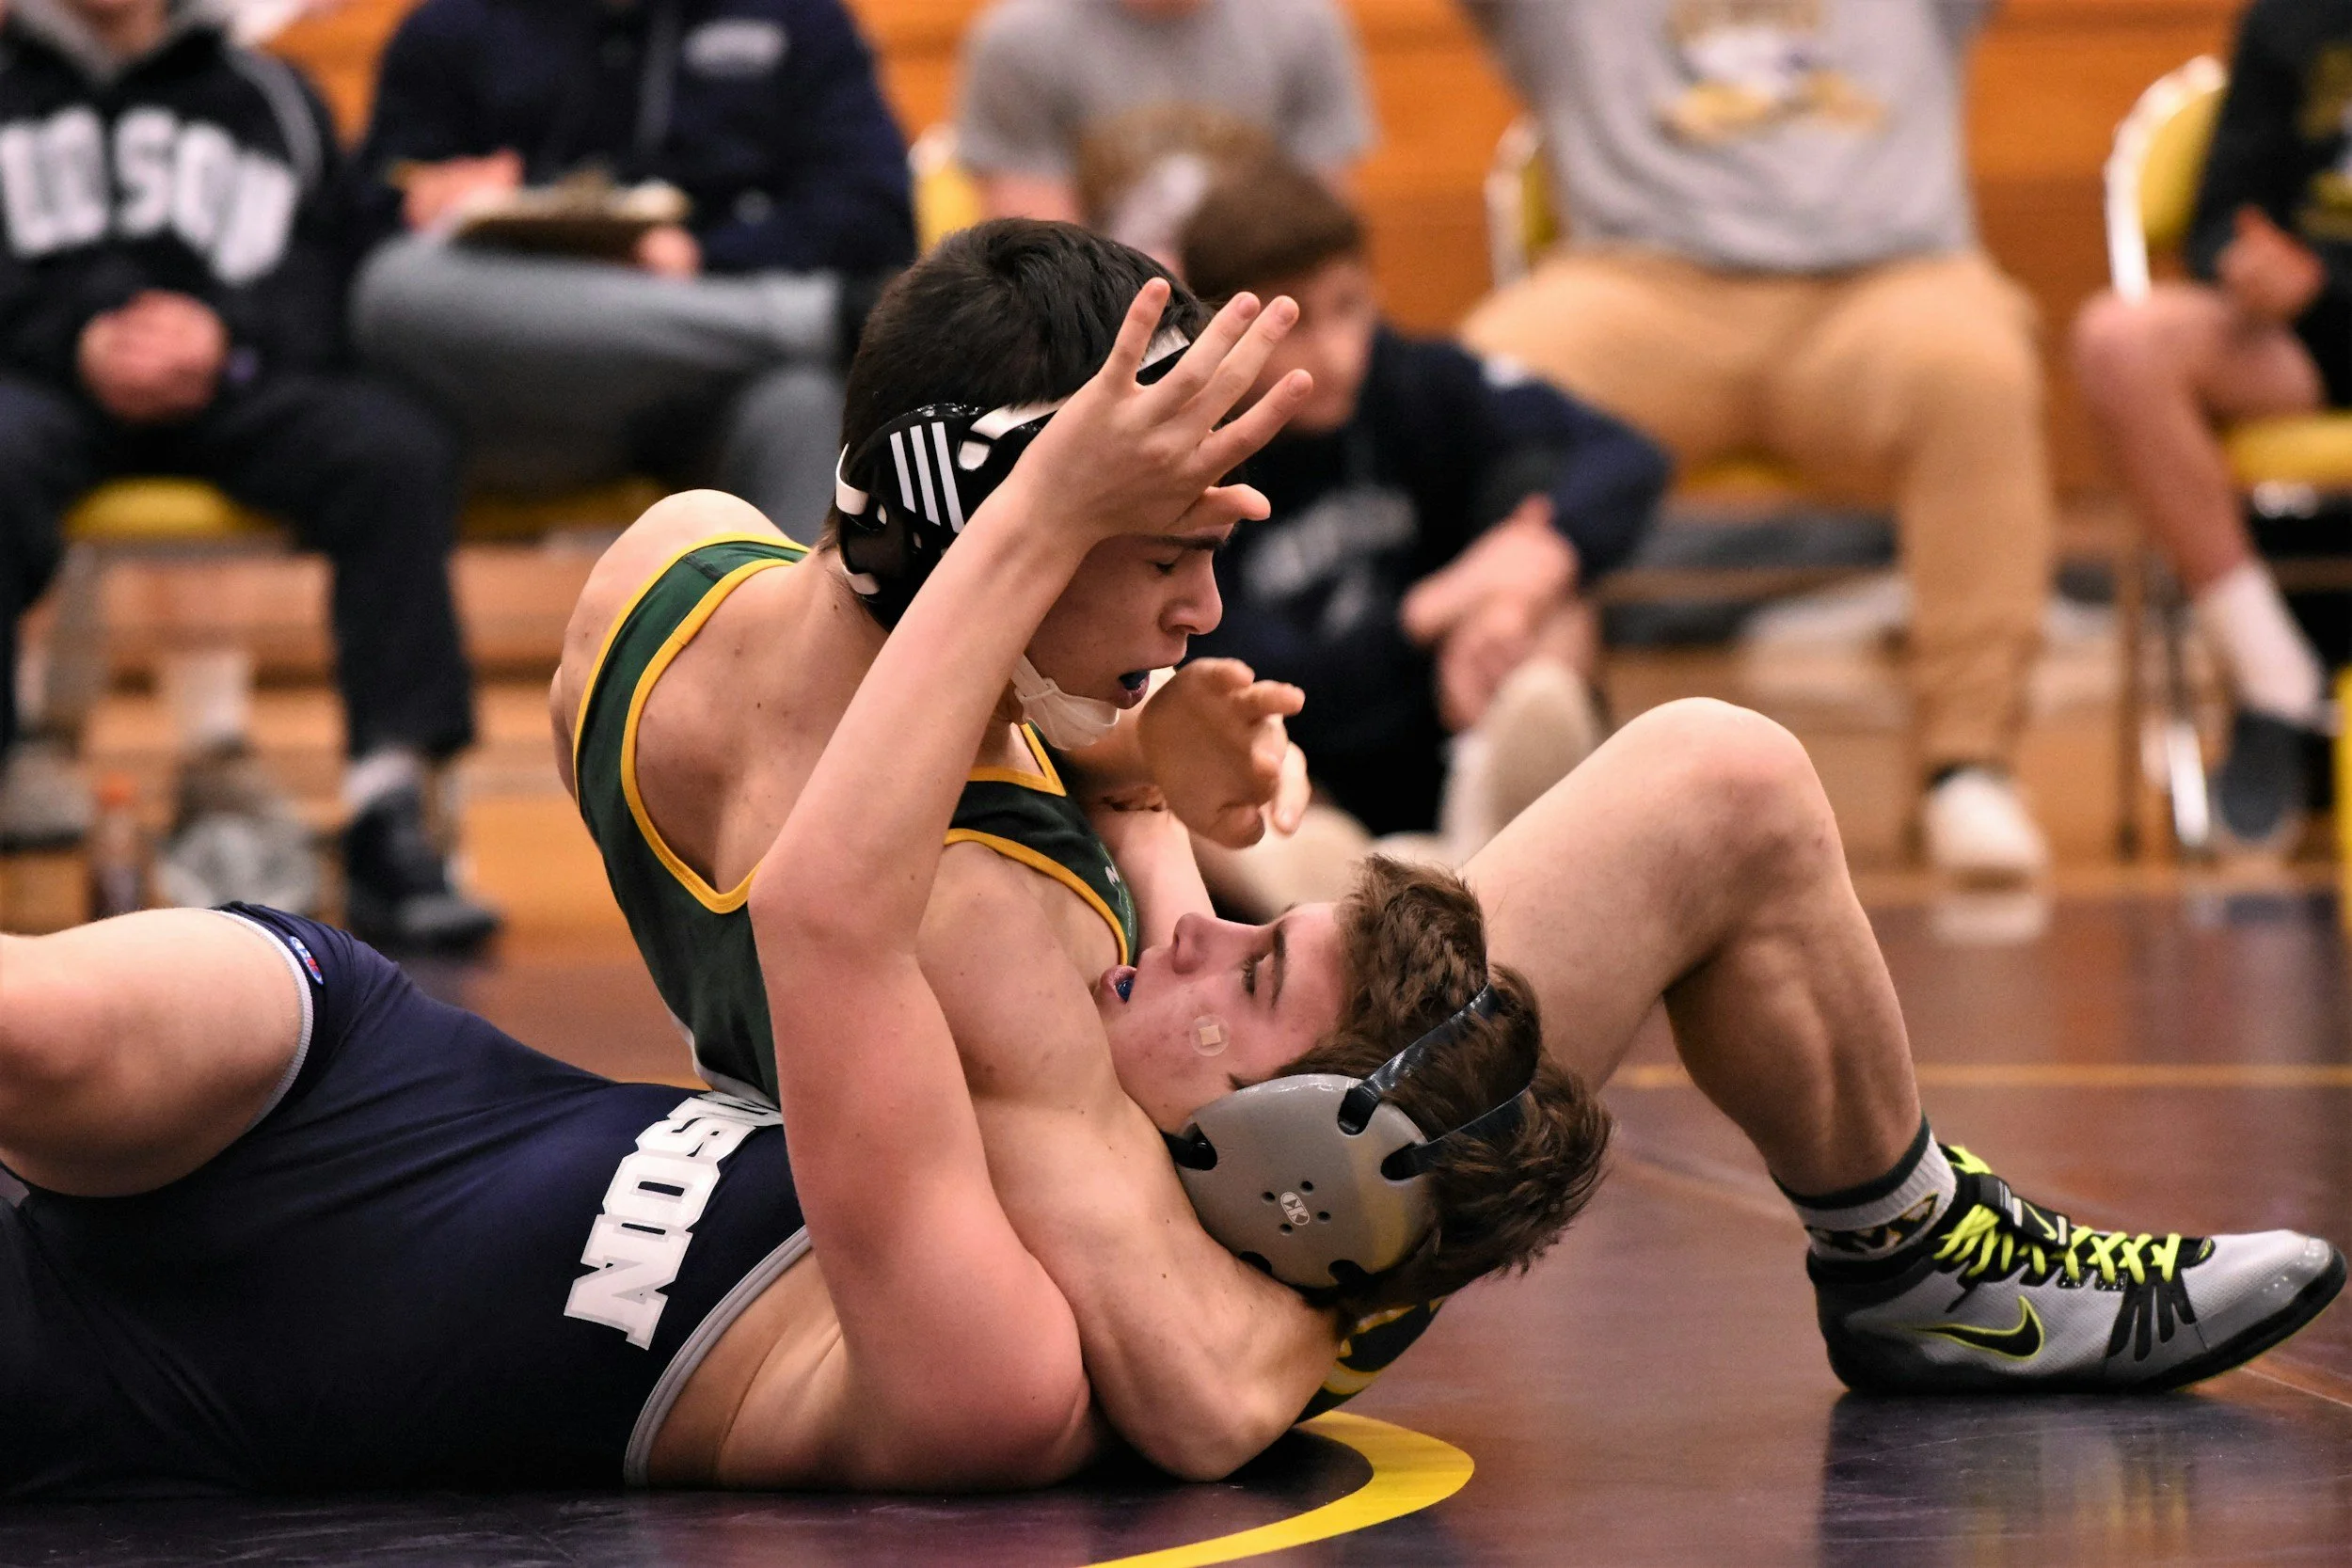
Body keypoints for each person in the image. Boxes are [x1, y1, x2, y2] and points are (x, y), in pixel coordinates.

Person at [563, 218, 2344, 1438]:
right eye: (1166, 551)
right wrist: (1422, 1160)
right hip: (1138, 1271)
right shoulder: (981, 921)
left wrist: (1104, 749)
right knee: (1719, 782)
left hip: (912, 1161)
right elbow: (1192, 1396)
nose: (1203, 606)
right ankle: (1919, 1263)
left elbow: (889, 688)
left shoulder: (660, 582)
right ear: (1011, 536)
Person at [0, 284, 1600, 1498]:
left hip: (193, 1374)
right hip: (356, 1069)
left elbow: (824, 912)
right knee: (36, 1026)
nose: (1198, 920)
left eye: (1246, 979)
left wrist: (1046, 516)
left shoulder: (1008, 1375)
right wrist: (1116, 758)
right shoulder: (1080, 1115)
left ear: (1280, 1167)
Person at [1454, 0, 2058, 884]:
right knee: (1493, 383)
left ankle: (1968, 765)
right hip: (1642, 282)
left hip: (1885, 286)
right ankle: (1521, 729)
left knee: (1978, 374)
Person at [0, 0, 494, 949]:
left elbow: (334, 278)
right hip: (39, 381)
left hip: (231, 380)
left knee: (392, 448)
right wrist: (80, 340)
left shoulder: (274, 96)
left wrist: (227, 336)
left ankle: (392, 815)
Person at [1176, 153, 1669, 912]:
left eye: (1349, 308)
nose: (1337, 355)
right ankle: (1334, 885)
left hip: (1460, 730)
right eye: (1295, 324)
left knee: (1547, 560)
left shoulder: (1419, 382)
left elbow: (1625, 455)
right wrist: (1427, 612)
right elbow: (1237, 668)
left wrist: (1525, 573)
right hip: (1308, 766)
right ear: (1222, 329)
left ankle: (1499, 830)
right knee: (1183, 731)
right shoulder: (1185, 456)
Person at [348, 0, 914, 532]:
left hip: (703, 387)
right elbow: (361, 226)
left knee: (800, 403)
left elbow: (875, 211)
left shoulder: (790, 16)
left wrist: (705, 253)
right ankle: (823, 322)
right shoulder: (452, 25)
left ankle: (807, 638)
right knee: (395, 288)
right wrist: (432, 198)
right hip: (518, 385)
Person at [2073, 0, 2352, 848]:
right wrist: (2251, 264)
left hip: (2333, 298)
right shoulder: (2293, 18)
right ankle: (2275, 680)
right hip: (2313, 337)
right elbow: (2218, 215)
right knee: (2119, 343)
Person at [955, 0, 1374, 226]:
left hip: (1261, 323)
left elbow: (1315, 245)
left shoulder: (1307, 24)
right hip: (1096, 344)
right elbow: (1044, 267)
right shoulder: (1019, 40)